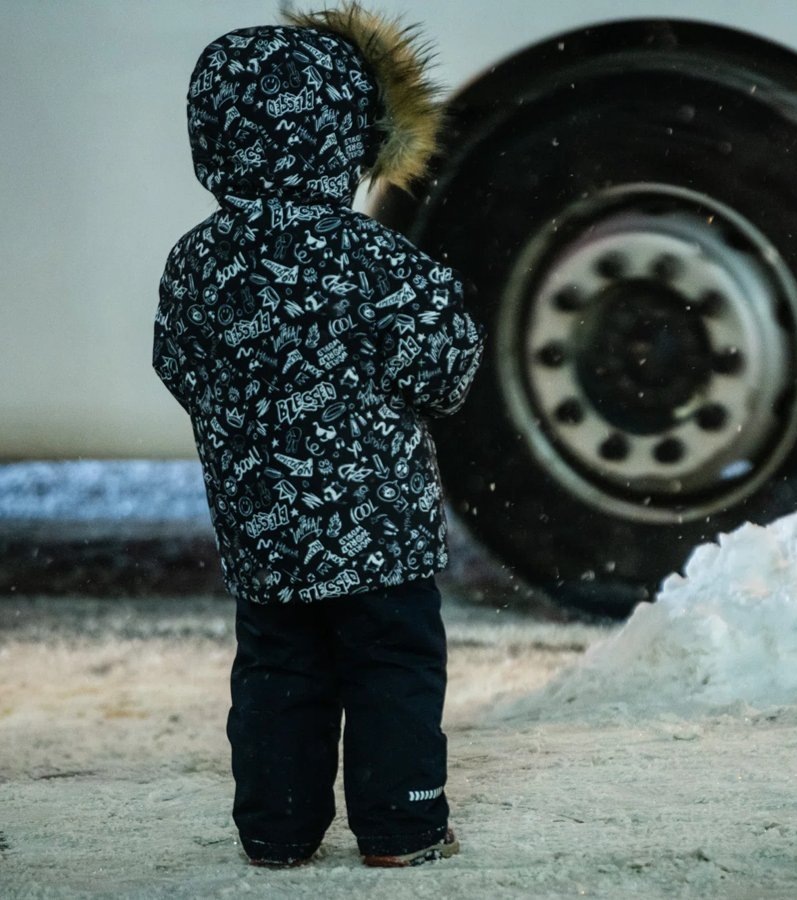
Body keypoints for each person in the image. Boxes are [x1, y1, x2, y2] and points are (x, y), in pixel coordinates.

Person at [152, 2, 483, 868]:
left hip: (262, 531)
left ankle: (277, 831)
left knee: (277, 674)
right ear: (349, 136)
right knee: (392, 669)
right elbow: (447, 368)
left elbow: (178, 365)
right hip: (379, 537)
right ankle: (402, 825)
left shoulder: (196, 261)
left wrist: (240, 419)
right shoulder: (378, 260)